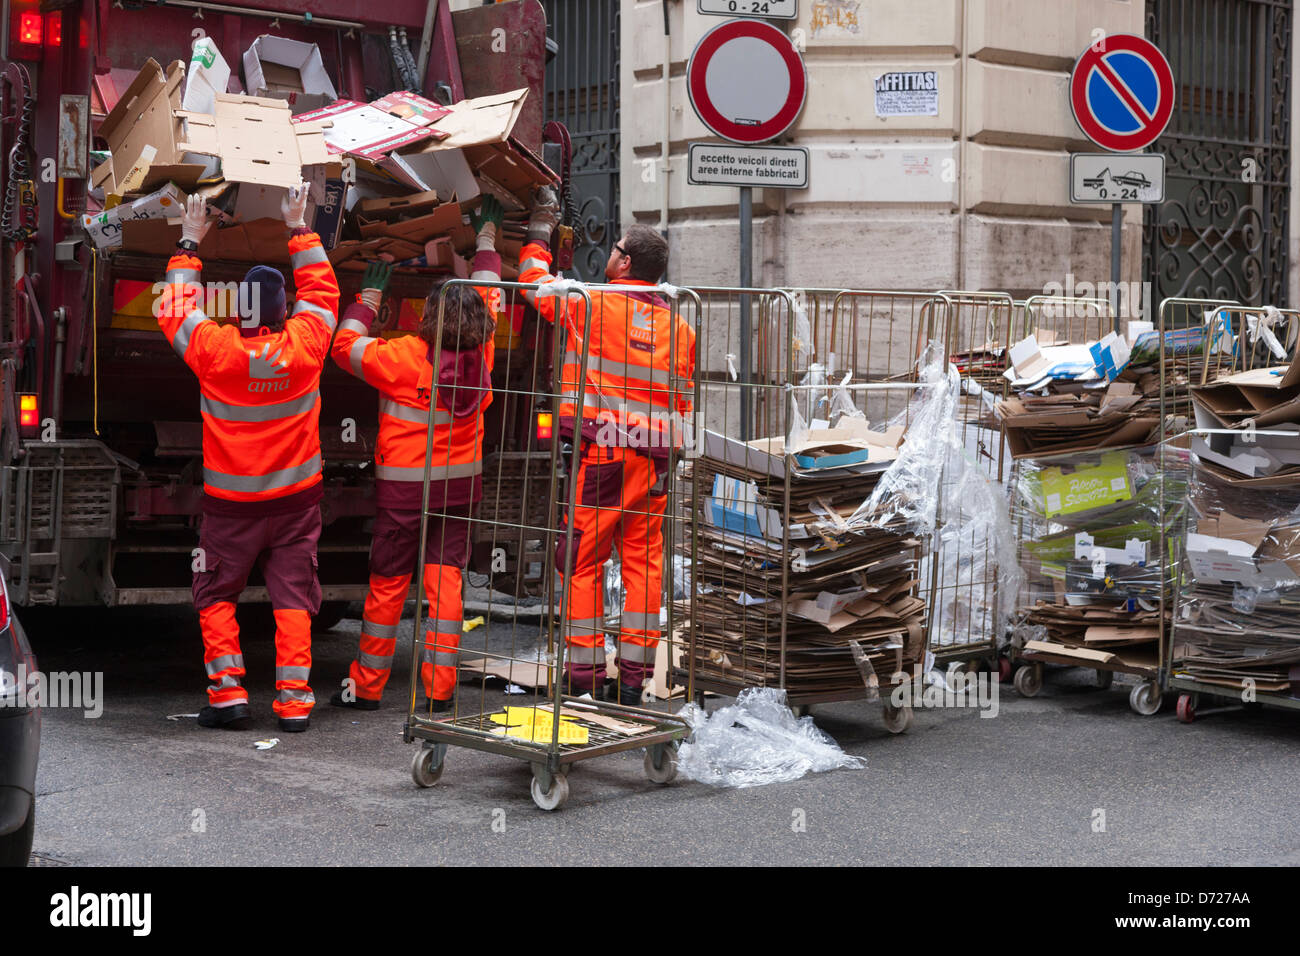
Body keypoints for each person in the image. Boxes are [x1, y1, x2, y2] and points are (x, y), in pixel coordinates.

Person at [156, 184, 339, 732]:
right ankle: (295, 702)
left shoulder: (217, 353)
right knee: (292, 595)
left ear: (238, 311)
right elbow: (324, 294)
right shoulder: (306, 347)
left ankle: (229, 696)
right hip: (296, 505)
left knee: (215, 592)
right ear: (286, 311)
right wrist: (297, 225)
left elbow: (174, 307)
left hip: (231, 508)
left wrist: (190, 240)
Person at [518, 189, 696, 705]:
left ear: (626, 262)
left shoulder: (594, 306)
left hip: (605, 457)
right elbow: (682, 399)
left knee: (582, 560)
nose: (611, 254)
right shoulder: (680, 328)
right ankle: (635, 678)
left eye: (616, 248)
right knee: (644, 563)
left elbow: (533, 286)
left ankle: (583, 673)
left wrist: (536, 234)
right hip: (657, 459)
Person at [329, 197, 504, 712]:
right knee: (445, 586)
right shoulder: (484, 356)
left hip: (404, 492)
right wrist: (487, 238)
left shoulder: (403, 358)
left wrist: (367, 297)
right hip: (459, 489)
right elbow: (492, 290)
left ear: (429, 317)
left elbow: (343, 348)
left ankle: (365, 688)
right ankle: (440, 693)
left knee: (388, 587)